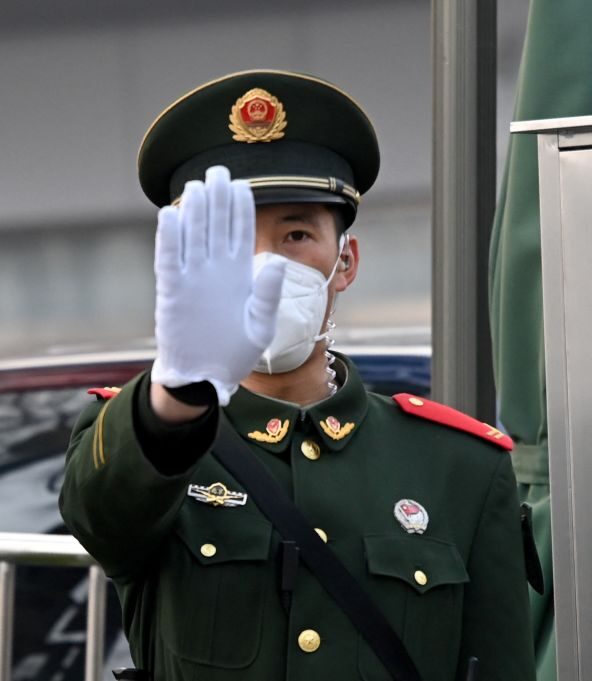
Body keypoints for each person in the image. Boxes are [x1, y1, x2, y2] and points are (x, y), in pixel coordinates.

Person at [59, 70, 536, 681]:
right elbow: (100, 518)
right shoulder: (152, 439)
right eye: (235, 241)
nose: (266, 265)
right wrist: (178, 395)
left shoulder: (460, 465)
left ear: (346, 262)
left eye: (296, 234)